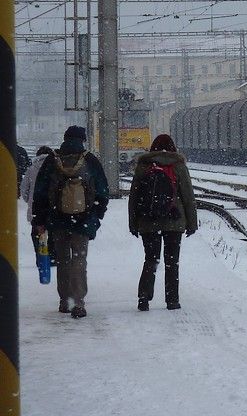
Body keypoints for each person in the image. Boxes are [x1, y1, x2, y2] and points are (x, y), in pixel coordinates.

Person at [32, 126, 110, 318]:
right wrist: (95, 215)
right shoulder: (89, 160)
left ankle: (64, 300)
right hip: (82, 220)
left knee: (63, 260)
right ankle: (78, 303)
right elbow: (102, 190)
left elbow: (40, 192)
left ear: (65, 139)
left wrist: (40, 219)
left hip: (57, 220)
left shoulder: (52, 160)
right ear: (82, 140)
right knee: (79, 260)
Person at [128, 134, 198, 311]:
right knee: (171, 261)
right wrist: (192, 222)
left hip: (148, 220)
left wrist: (133, 222)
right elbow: (188, 196)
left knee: (151, 259)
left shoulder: (144, 165)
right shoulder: (178, 165)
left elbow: (134, 197)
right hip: (174, 221)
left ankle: (144, 298)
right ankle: (172, 300)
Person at [20, 146, 55, 255]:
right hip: (52, 206)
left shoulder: (31, 169)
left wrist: (29, 200)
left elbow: (24, 189)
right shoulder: (55, 167)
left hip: (36, 207)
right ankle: (52, 255)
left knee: (36, 232)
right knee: (53, 232)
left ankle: (40, 255)